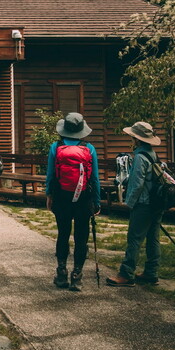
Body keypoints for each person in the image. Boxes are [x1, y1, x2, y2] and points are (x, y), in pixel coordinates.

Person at [46, 112, 100, 292]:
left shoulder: (56, 146)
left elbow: (51, 175)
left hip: (61, 196)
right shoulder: (89, 148)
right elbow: (94, 178)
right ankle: (77, 276)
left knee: (63, 234)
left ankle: (61, 274)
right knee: (81, 237)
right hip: (83, 197)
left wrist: (49, 195)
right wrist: (96, 201)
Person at [107, 121, 164, 287]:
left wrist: (129, 203)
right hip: (156, 203)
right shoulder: (153, 154)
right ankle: (151, 272)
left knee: (134, 238)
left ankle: (126, 274)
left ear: (137, 140)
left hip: (144, 204)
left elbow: (137, 183)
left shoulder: (140, 157)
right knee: (153, 238)